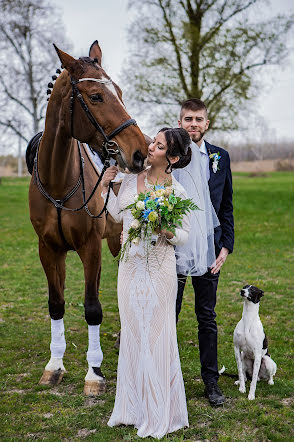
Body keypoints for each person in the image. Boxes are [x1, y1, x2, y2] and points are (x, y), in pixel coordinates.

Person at [101, 128, 192, 439]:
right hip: (129, 269)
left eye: (159, 145)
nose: (151, 146)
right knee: (132, 333)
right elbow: (114, 216)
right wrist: (106, 186)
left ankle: (158, 410)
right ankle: (130, 408)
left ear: (173, 158)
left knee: (157, 336)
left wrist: (164, 228)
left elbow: (184, 236)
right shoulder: (130, 178)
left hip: (159, 270)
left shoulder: (176, 193)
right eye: (154, 141)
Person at [173, 98, 234, 407]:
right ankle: (166, 379)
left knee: (206, 317)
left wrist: (226, 246)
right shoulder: (169, 158)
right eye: (187, 119)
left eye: (198, 119)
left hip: (209, 251)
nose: (193, 123)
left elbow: (226, 207)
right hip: (172, 251)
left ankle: (211, 382)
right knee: (168, 316)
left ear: (206, 124)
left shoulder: (220, 158)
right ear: (179, 123)